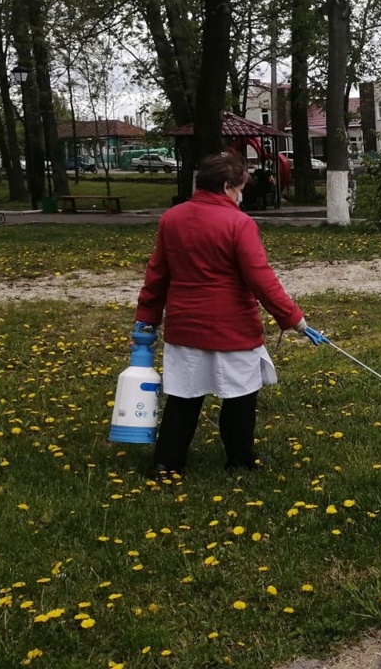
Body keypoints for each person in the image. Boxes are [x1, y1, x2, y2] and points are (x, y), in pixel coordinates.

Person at [134, 152, 324, 477]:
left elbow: (157, 275)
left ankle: (167, 463)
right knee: (240, 398)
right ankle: (240, 459)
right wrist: (294, 320)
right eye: (240, 187)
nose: (242, 194)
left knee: (183, 398)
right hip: (232, 330)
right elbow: (261, 277)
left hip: (185, 328)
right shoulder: (239, 223)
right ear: (226, 187)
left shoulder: (172, 219)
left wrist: (147, 319)